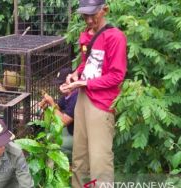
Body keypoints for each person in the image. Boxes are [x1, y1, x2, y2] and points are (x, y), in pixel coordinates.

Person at [60, 0, 127, 187]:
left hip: (101, 103)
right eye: (85, 15)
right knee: (79, 156)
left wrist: (84, 82)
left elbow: (116, 76)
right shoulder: (88, 35)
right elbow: (87, 63)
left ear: (104, 10)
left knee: (100, 161)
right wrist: (75, 75)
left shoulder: (115, 37)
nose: (89, 20)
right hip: (83, 97)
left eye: (93, 14)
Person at [39, 68, 78, 158]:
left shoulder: (76, 97)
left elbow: (63, 122)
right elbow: (57, 109)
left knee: (55, 145)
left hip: (79, 137)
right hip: (70, 130)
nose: (60, 87)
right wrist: (47, 106)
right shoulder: (66, 96)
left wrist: (51, 103)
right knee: (51, 135)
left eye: (62, 83)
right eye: (59, 84)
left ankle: (70, 163)